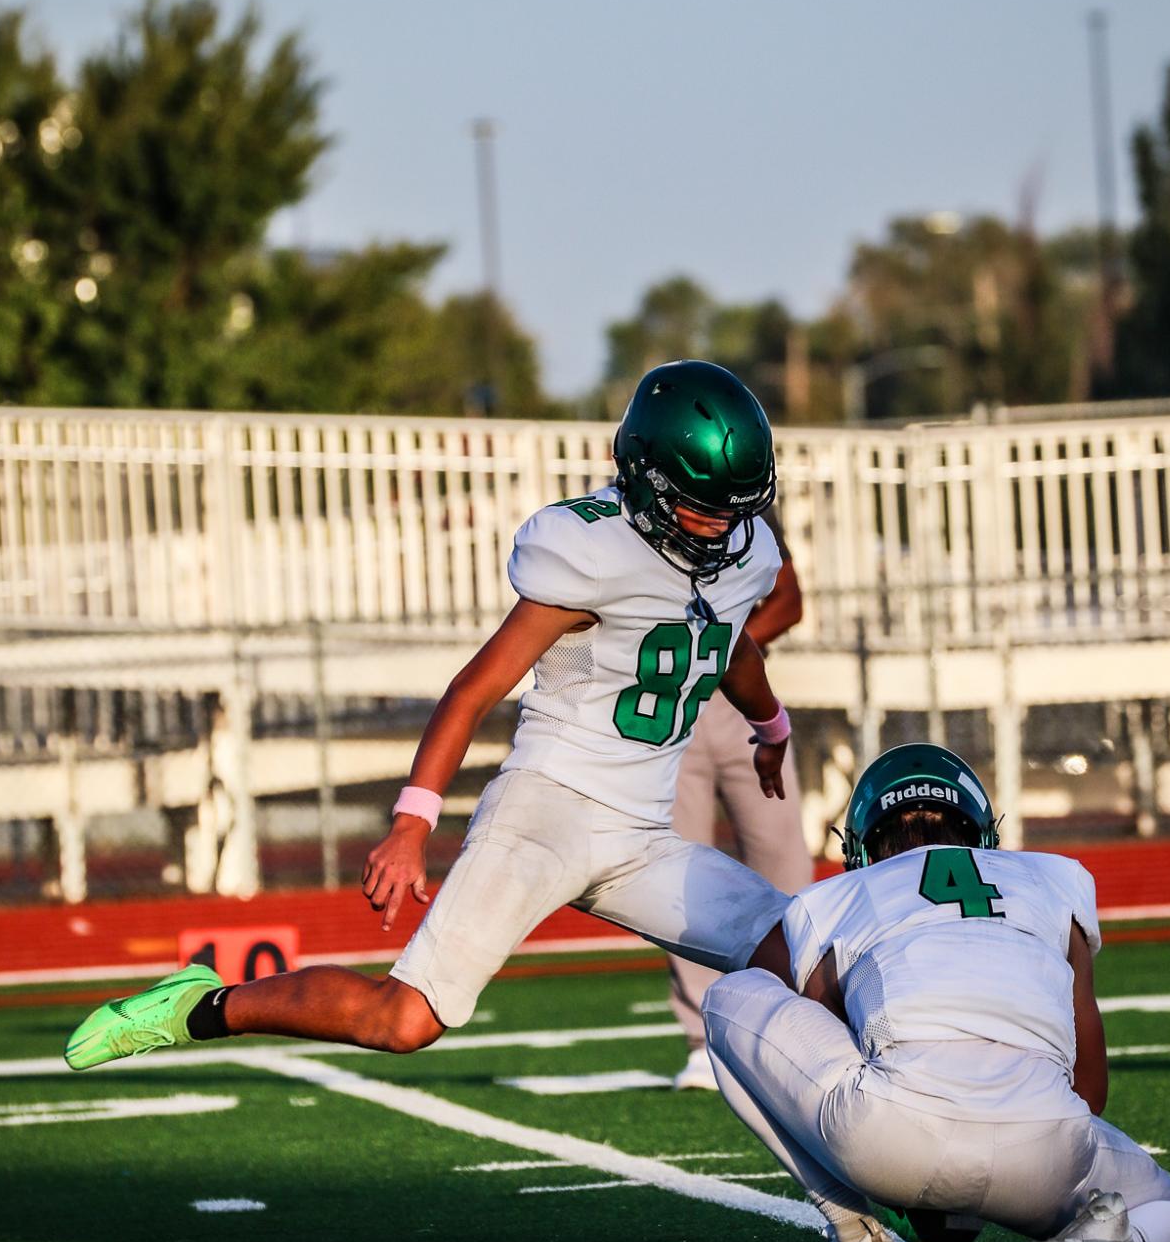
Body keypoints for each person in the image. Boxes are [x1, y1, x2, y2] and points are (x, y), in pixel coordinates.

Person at [65, 361, 798, 1072]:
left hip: (642, 835)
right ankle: (201, 1005)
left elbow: (725, 640)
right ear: (645, 478)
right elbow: (474, 689)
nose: (718, 531)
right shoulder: (590, 549)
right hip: (546, 814)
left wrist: (770, 730)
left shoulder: (746, 552)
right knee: (402, 1019)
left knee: (799, 953)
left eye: (735, 512)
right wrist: (412, 824)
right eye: (703, 509)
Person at [700, 742, 1170, 1242]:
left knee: (731, 996)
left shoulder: (837, 896)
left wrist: (931, 1188)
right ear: (984, 834)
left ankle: (853, 1240)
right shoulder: (1055, 879)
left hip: (891, 1138)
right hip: (1046, 1148)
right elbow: (1091, 1088)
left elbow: (823, 1044)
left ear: (861, 847)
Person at [665, 506, 812, 1091]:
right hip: (665, 702)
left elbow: (791, 599)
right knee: (677, 875)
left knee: (783, 865)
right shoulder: (630, 509)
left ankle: (804, 1021)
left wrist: (726, 650)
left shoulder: (746, 508)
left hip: (744, 702)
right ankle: (704, 1039)